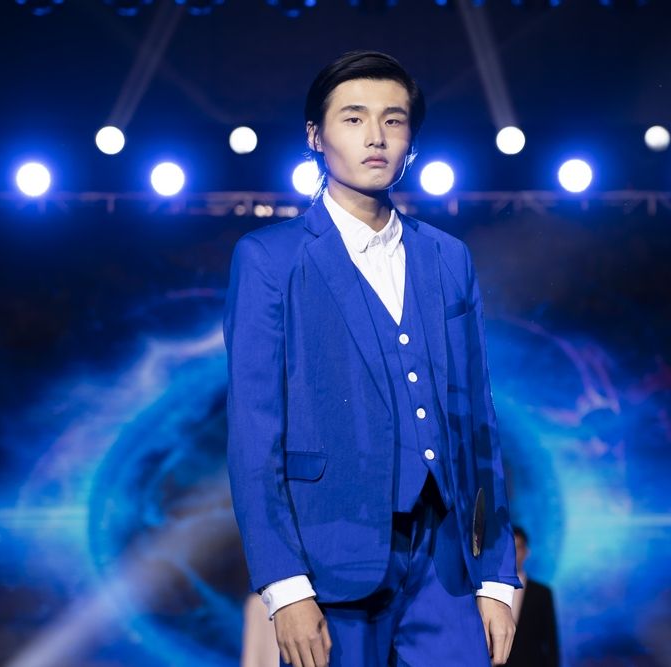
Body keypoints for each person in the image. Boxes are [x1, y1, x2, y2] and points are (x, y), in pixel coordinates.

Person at [224, 50, 519, 667]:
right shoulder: (270, 259)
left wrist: (495, 575)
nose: (376, 137)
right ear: (315, 136)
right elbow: (254, 434)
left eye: (394, 120)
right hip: (328, 558)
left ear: (412, 141)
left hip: (446, 564)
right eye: (354, 118)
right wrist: (284, 587)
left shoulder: (448, 257)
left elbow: (477, 423)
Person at [504, 526, 561, 667]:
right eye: (509, 548)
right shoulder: (488, 593)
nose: (513, 554)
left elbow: (551, 641)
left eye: (518, 548)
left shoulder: (542, 593)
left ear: (526, 552)